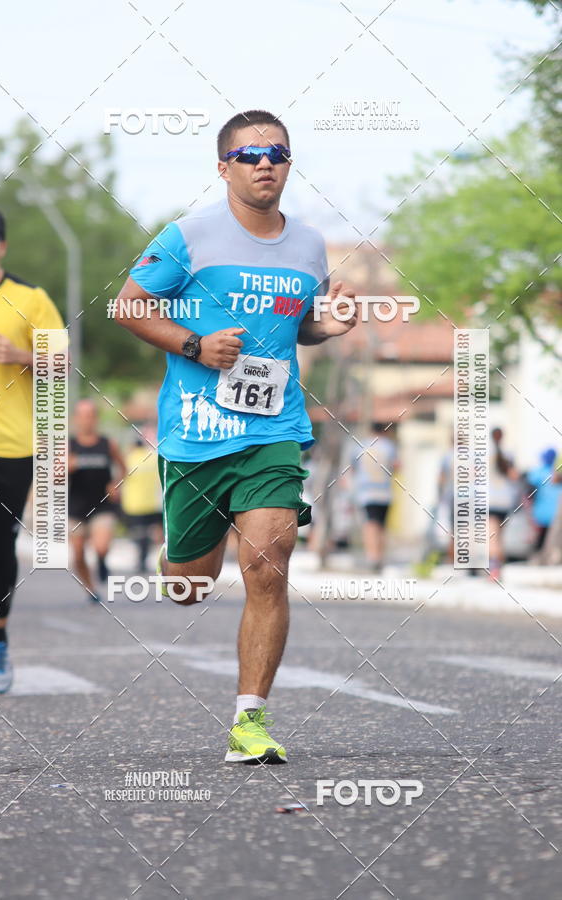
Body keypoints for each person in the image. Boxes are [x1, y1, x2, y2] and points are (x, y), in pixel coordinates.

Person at [114, 109, 357, 763]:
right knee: (189, 584)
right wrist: (195, 344)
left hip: (273, 429)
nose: (265, 164)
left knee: (268, 563)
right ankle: (197, 544)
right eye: (250, 156)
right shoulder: (188, 236)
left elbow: (299, 326)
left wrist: (325, 330)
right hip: (196, 436)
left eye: (277, 152)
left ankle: (250, 722)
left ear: (288, 163)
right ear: (223, 168)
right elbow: (128, 305)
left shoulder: (309, 246)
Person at [0, 203, 63, 695]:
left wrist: (23, 355)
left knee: (1, 549)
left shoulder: (30, 299)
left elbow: (62, 366)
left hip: (15, 447)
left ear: (1, 246)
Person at [68, 399, 126, 603]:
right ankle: (90, 589)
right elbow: (52, 477)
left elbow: (123, 468)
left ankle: (102, 560)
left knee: (101, 546)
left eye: (91, 415)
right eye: (83, 416)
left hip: (102, 505)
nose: (87, 420)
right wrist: (65, 468)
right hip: (75, 507)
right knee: (77, 553)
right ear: (76, 419)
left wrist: (116, 485)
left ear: (96, 419)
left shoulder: (107, 444)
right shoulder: (68, 446)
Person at [350, 423, 398, 573]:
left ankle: (373, 556)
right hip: (384, 492)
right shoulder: (389, 446)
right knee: (381, 526)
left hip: (366, 492)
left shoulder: (361, 446)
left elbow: (353, 468)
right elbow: (397, 465)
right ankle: (380, 557)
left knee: (370, 525)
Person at [121, 437, 164, 571]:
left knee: (138, 533)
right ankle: (144, 557)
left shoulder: (128, 459)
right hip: (152, 503)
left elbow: (121, 478)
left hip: (134, 504)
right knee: (149, 531)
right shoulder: (152, 458)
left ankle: (141, 557)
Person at [488, 427, 517, 581]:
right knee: (500, 538)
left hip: (490, 501)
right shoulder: (508, 454)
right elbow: (514, 476)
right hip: (505, 502)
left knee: (492, 538)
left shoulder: (485, 454)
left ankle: (494, 570)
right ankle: (498, 569)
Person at [527, 448, 562, 556]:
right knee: (551, 539)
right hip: (553, 513)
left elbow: (528, 492)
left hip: (541, 513)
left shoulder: (537, 472)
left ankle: (539, 557)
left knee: (540, 540)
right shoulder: (554, 471)